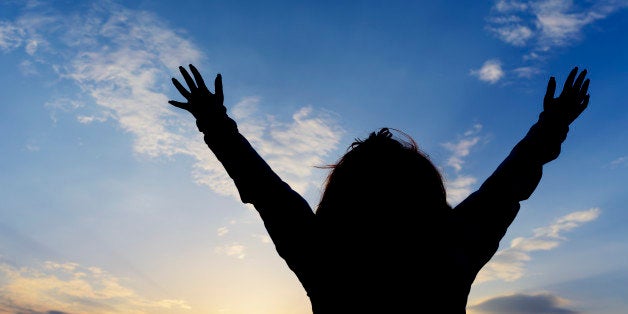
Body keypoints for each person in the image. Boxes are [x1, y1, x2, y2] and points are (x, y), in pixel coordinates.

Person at [169, 65, 590, 313]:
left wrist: (213, 121)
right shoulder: (452, 247)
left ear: (341, 192)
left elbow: (261, 186)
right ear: (427, 189)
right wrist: (554, 123)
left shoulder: (320, 251)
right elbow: (510, 183)